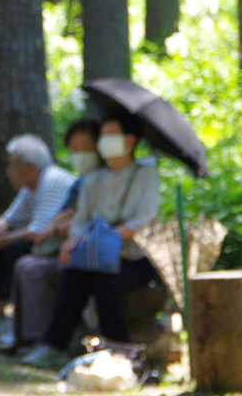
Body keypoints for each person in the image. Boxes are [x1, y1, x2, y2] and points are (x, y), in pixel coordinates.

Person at [21, 113, 160, 368]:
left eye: (110, 136)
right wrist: (71, 243)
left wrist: (106, 239)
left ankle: (118, 351)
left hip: (133, 258)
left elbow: (145, 218)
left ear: (129, 141)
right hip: (94, 254)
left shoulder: (145, 175)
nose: (103, 142)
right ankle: (54, 345)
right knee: (74, 272)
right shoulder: (94, 180)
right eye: (103, 137)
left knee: (104, 278)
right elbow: (80, 219)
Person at [0, 119, 101, 354]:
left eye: (85, 148)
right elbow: (65, 215)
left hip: (89, 253)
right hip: (69, 247)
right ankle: (27, 336)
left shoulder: (97, 179)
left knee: (30, 265)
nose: (80, 155)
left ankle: (49, 340)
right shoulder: (82, 180)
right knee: (23, 262)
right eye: (75, 150)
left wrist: (61, 227)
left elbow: (82, 218)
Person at [0, 134, 77, 334]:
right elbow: (9, 219)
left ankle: (10, 318)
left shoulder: (52, 180)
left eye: (12, 165)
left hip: (61, 245)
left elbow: (37, 231)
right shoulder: (31, 186)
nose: (8, 172)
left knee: (13, 247)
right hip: (47, 242)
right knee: (3, 245)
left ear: (30, 167)